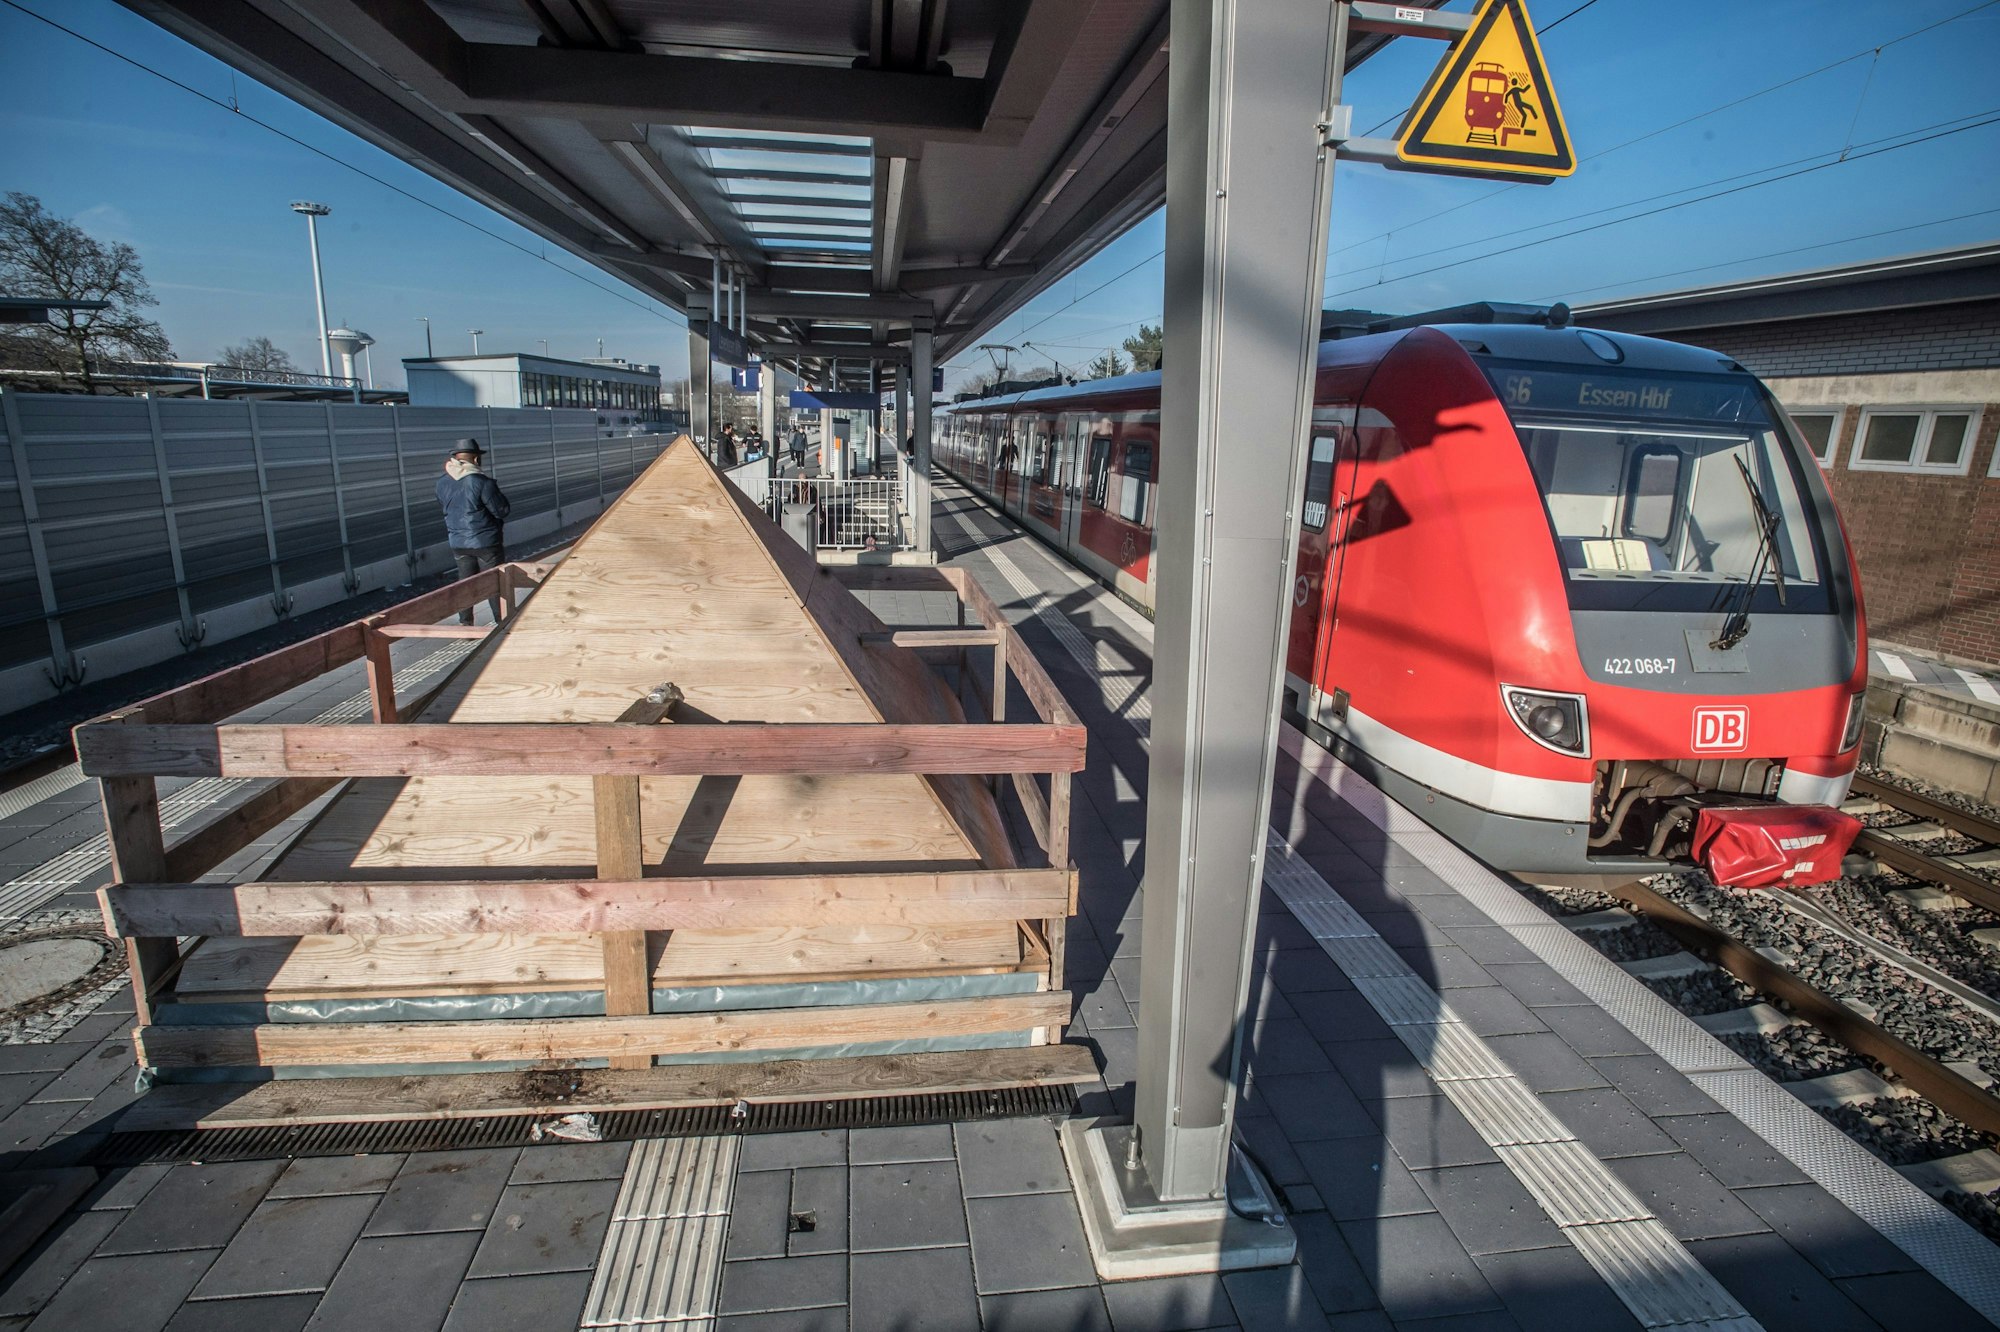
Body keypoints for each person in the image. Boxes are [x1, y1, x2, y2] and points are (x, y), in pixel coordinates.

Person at [434, 438, 511, 626]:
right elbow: (501, 510)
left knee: (465, 584)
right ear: (475, 460)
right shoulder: (482, 482)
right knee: (494, 583)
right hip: (485, 542)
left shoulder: (442, 483)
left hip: (458, 542)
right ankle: (503, 624)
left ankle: (466, 624)